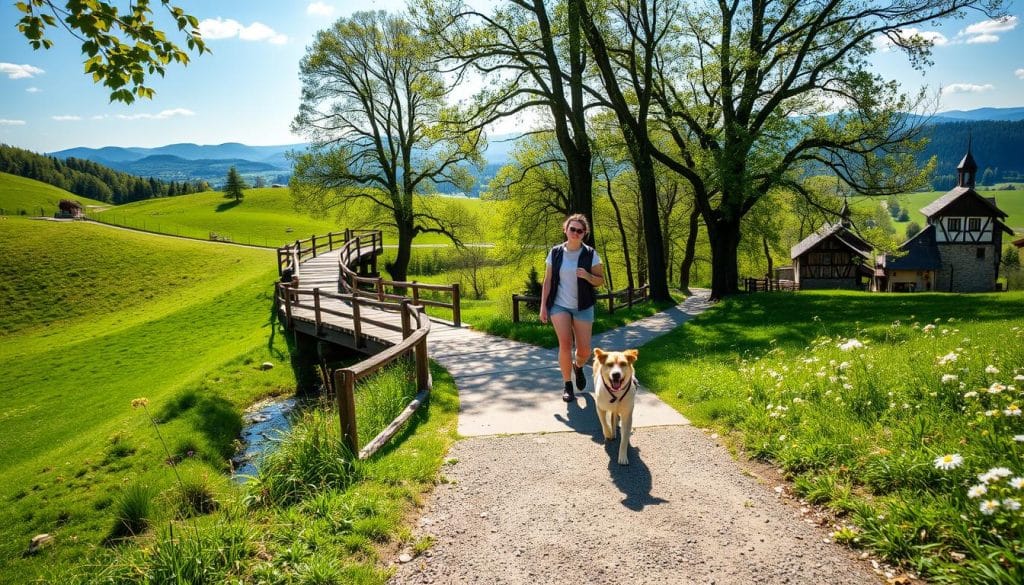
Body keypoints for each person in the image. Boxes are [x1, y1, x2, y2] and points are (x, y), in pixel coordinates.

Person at [540, 213, 605, 402]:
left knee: (584, 350)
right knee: (565, 344)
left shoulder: (591, 254)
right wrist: (543, 306)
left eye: (580, 230)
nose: (576, 233)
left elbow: (600, 281)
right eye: (572, 229)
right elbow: (548, 281)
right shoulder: (555, 252)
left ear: (584, 233)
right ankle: (568, 385)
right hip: (559, 305)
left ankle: (578, 366)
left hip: (583, 306)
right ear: (565, 230)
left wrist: (587, 276)